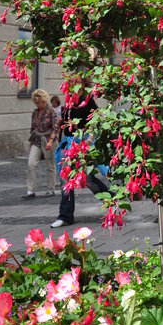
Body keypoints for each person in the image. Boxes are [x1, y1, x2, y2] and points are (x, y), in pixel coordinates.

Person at [51, 79, 109, 228]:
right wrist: (52, 138)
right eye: (70, 83)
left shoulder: (88, 100)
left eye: (76, 82)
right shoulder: (68, 101)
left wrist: (89, 140)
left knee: (87, 178)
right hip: (67, 144)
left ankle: (111, 200)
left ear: (83, 85)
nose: (71, 86)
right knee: (66, 179)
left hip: (82, 143)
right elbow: (61, 122)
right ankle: (65, 216)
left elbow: (96, 120)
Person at [23, 89, 59, 199]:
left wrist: (50, 141)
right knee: (31, 163)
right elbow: (32, 128)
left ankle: (50, 189)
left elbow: (55, 128)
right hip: (37, 140)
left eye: (40, 102)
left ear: (45, 100)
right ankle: (30, 190)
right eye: (37, 103)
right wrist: (30, 141)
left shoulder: (51, 111)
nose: (39, 105)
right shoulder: (35, 113)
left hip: (49, 139)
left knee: (50, 165)